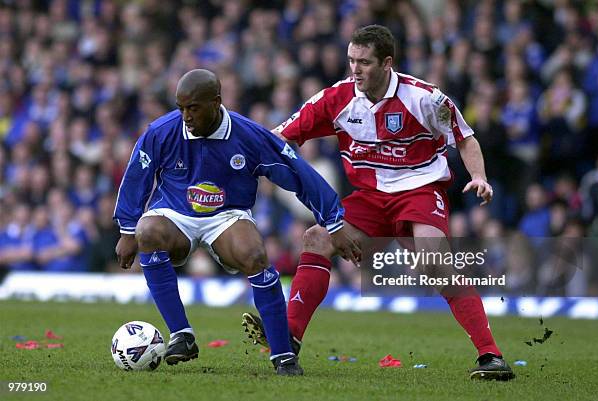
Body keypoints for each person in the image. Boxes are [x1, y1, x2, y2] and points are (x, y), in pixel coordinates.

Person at [241, 25, 514, 380]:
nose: (355, 69)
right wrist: (242, 156)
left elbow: (465, 137)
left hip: (419, 190)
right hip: (369, 199)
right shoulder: (335, 99)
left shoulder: (425, 98)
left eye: (364, 62)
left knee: (434, 259)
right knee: (316, 238)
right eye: (351, 60)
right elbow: (279, 137)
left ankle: (490, 355)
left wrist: (478, 177)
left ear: (387, 63)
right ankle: (288, 337)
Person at [113, 69, 360, 376]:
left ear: (216, 102)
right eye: (181, 108)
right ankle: (182, 335)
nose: (185, 116)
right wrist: (126, 229)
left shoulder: (249, 136)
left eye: (193, 108)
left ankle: (284, 355)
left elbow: (298, 173)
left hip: (227, 216)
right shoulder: (161, 131)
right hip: (174, 214)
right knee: (146, 231)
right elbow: (137, 176)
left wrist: (333, 221)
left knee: (254, 255)